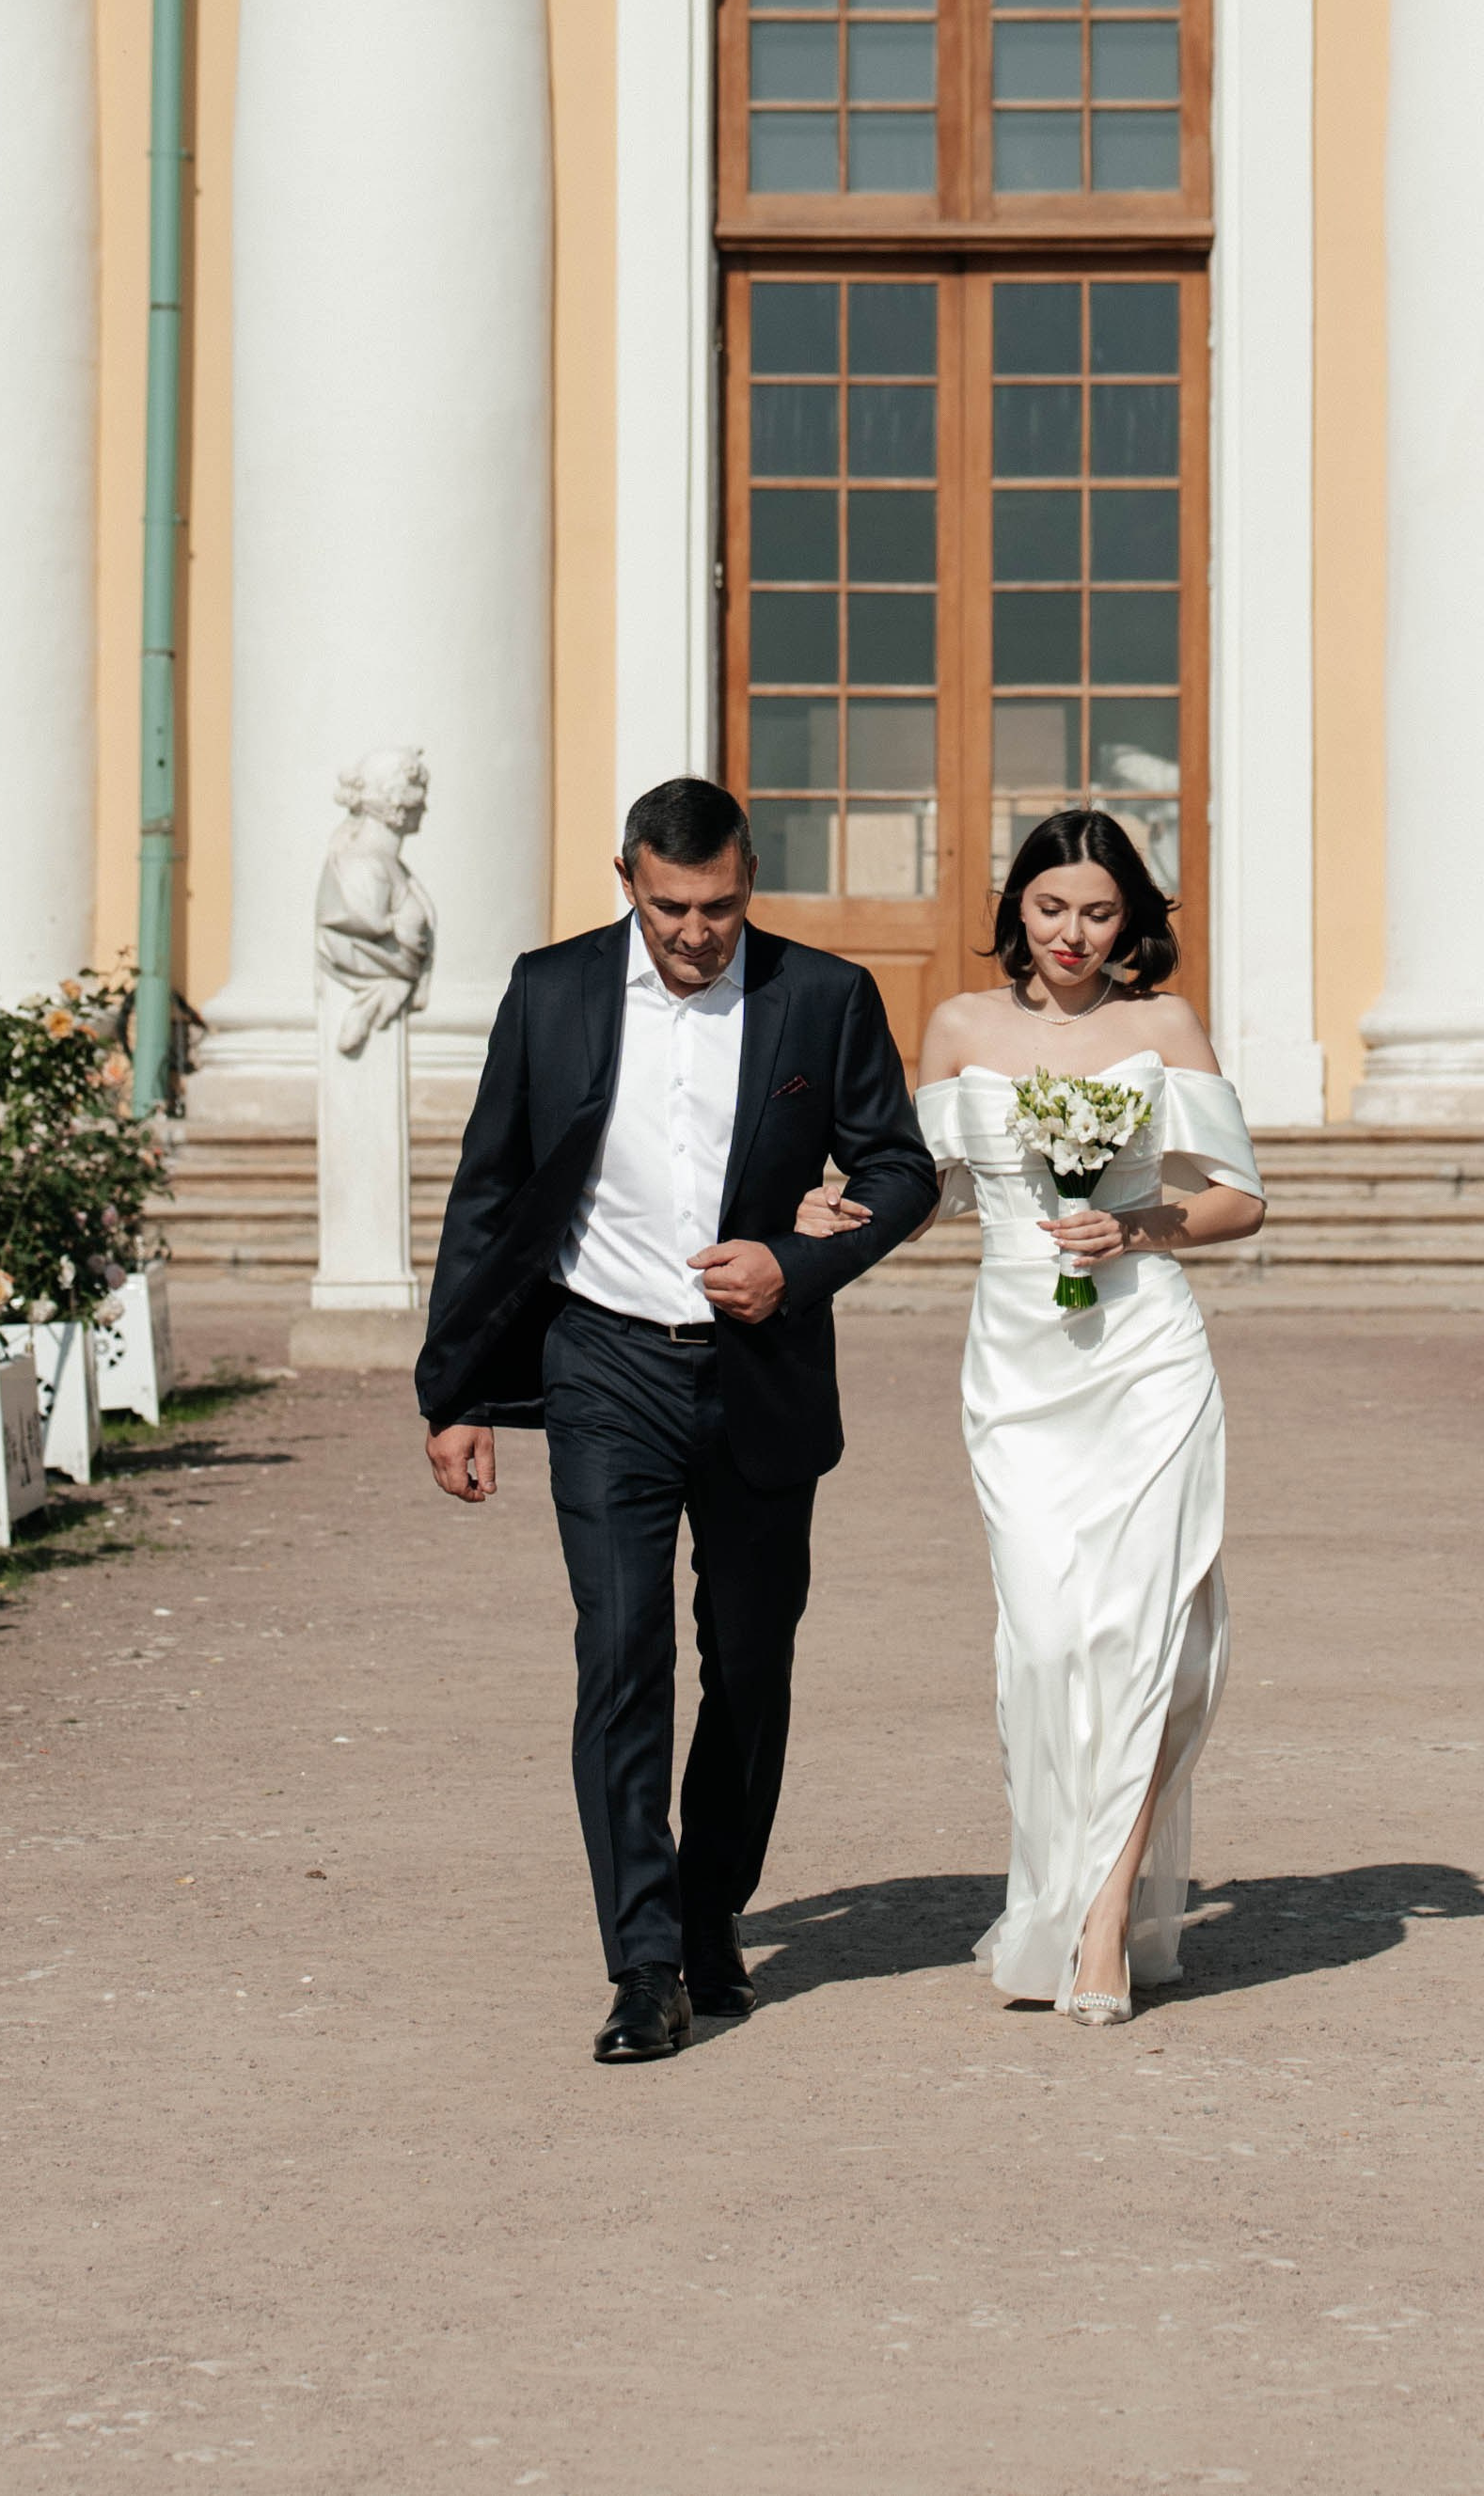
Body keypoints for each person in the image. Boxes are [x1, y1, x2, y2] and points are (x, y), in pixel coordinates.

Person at [414, 777, 937, 2065]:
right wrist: (458, 1389)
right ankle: (644, 1962)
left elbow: (901, 1167)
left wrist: (792, 1263)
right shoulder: (554, 991)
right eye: (670, 908)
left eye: (718, 906)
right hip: (603, 1368)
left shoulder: (823, 995)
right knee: (622, 1653)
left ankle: (713, 1911)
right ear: (626, 880)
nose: (696, 932)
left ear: (750, 879)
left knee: (750, 1668)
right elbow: (490, 1190)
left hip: (759, 1377)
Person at [797, 808, 1264, 2026]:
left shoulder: (1160, 1028)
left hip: (1145, 1351)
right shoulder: (959, 1026)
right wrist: (832, 1213)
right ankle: (1053, 1887)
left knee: (1149, 1634)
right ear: (1016, 908)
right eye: (1052, 908)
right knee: (1050, 1639)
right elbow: (929, 1187)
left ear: (1133, 922)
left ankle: (1104, 1921)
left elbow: (1237, 1201)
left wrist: (1141, 1223)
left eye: (1100, 912)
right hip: (1018, 1362)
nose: (1073, 933)